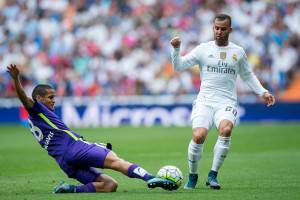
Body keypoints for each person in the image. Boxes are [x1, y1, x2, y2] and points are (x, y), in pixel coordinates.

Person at [6, 64, 177, 193]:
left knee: (110, 185)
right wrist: (16, 79)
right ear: (38, 98)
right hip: (75, 148)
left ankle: (69, 189)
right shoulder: (36, 109)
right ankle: (151, 178)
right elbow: (24, 99)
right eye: (50, 97)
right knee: (116, 160)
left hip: (64, 163)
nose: (53, 101)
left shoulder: (33, 121)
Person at [170, 14, 275, 190]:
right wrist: (175, 49)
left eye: (223, 29)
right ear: (213, 28)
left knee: (226, 130)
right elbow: (178, 66)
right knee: (198, 136)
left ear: (230, 30)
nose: (219, 32)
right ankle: (193, 176)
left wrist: (262, 92)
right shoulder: (203, 49)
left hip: (226, 102)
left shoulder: (238, 52)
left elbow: (248, 75)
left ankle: (212, 175)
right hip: (204, 101)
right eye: (216, 28)